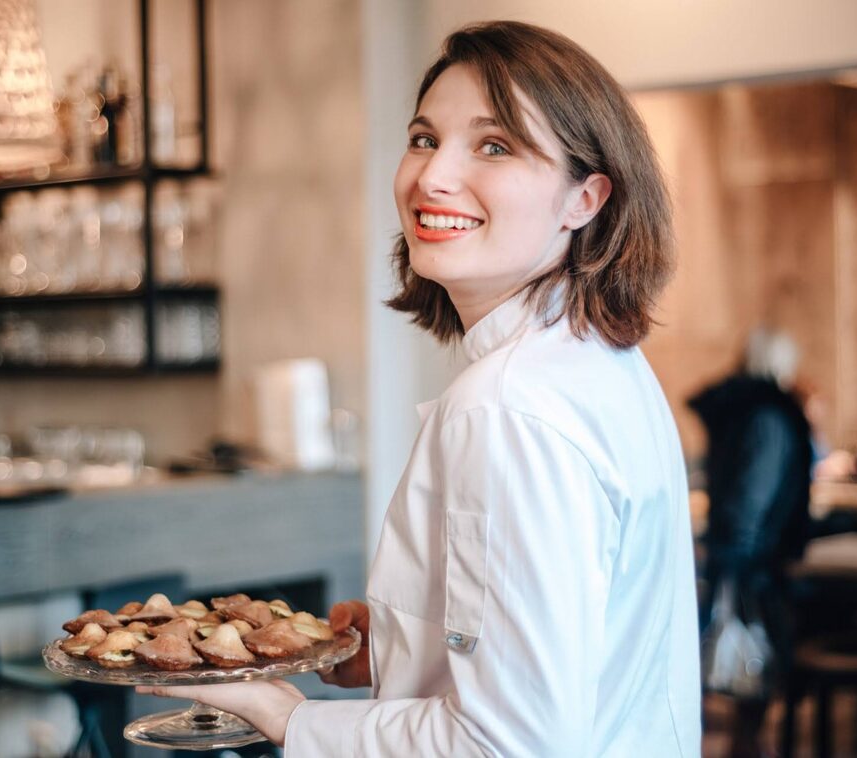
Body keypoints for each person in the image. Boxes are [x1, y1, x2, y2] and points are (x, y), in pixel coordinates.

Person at [140, 21, 701, 756]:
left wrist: (286, 715)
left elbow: (508, 745)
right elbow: (594, 653)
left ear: (584, 199)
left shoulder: (506, 407)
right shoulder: (598, 362)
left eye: (493, 146)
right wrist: (410, 646)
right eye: (423, 138)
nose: (432, 177)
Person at [691, 327, 813, 758]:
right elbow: (750, 499)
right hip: (752, 566)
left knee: (741, 680)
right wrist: (739, 564)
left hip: (735, 557)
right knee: (752, 678)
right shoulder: (768, 418)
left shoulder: (738, 411)